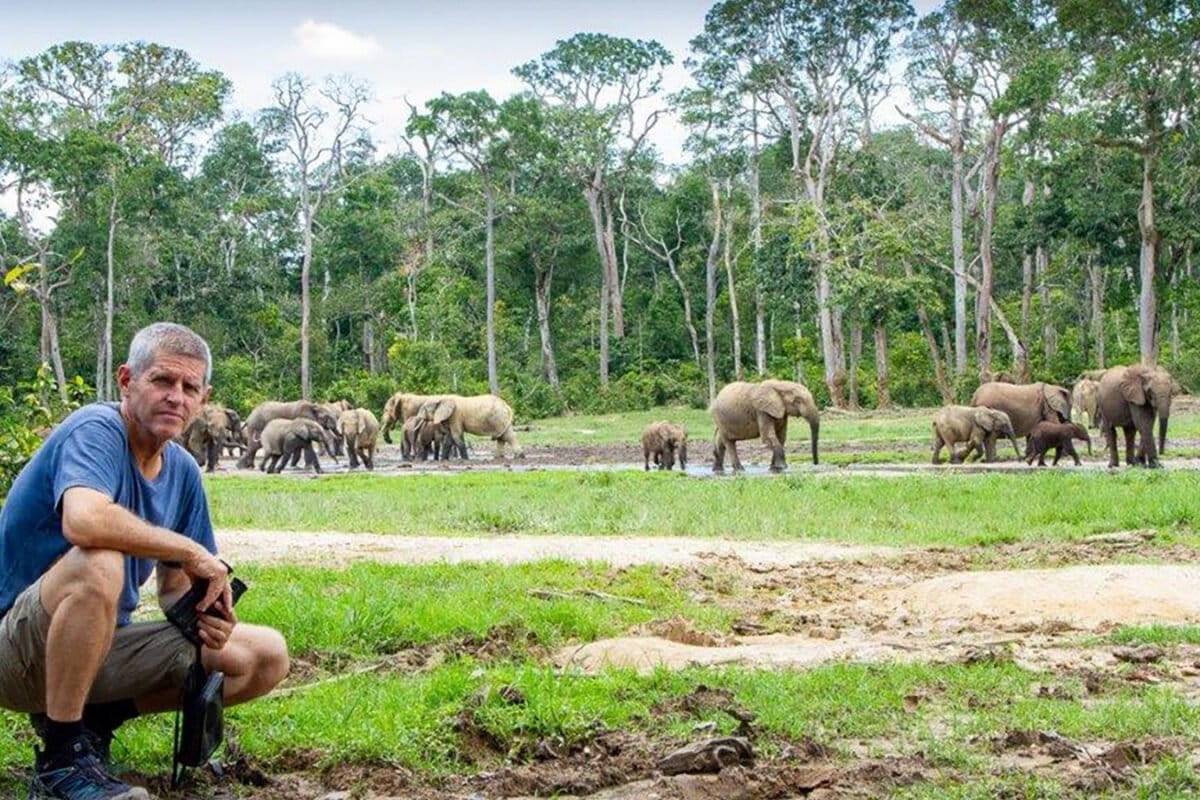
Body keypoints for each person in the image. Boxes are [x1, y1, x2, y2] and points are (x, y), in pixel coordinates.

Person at [0, 323, 289, 800]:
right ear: (127, 380)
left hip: (97, 646)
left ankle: (95, 721)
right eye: (162, 381)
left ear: (203, 398)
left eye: (189, 387)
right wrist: (192, 550)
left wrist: (202, 616)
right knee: (100, 561)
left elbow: (174, 589)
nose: (176, 396)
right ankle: (60, 760)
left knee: (263, 655)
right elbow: (85, 522)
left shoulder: (183, 472)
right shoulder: (95, 429)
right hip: (18, 650)